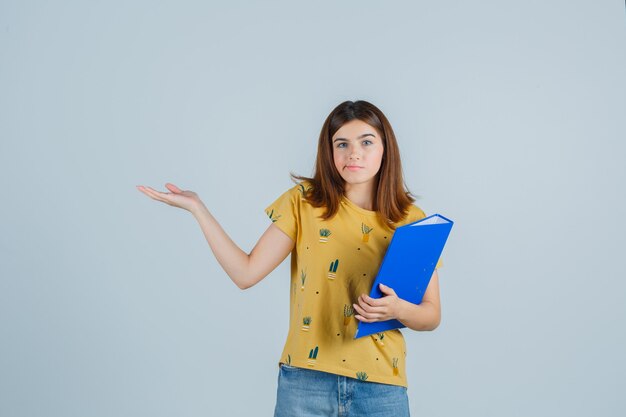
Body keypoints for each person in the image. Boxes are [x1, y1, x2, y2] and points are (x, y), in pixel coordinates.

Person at [137, 100, 442, 417]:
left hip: (381, 388)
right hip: (305, 382)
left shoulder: (412, 220)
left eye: (366, 142)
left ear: (385, 148)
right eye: (342, 144)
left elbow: (431, 315)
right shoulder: (305, 203)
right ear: (329, 151)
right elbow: (245, 273)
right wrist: (198, 209)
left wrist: (398, 309)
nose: (354, 153)